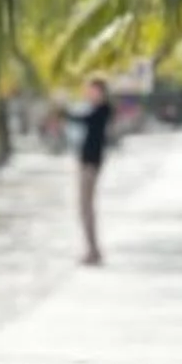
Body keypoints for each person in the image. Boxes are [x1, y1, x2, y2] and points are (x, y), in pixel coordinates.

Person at [73, 75, 112, 264]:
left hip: (91, 163)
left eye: (93, 90)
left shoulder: (102, 110)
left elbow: (83, 120)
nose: (89, 94)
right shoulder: (96, 109)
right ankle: (92, 249)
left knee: (86, 207)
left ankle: (93, 250)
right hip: (86, 161)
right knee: (84, 208)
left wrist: (63, 112)